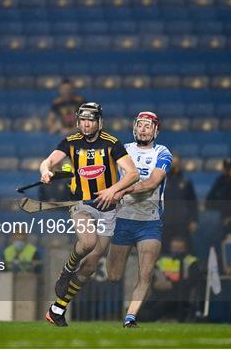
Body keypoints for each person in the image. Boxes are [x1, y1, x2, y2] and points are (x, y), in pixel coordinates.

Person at [40, 102, 139, 326]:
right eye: (83, 119)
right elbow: (48, 161)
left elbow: (132, 174)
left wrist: (113, 190)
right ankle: (66, 271)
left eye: (91, 120)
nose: (86, 124)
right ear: (78, 121)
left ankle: (57, 309)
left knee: (92, 264)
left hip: (108, 210)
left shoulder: (112, 143)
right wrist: (45, 170)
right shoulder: (70, 142)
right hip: (81, 203)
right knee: (87, 243)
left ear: (99, 122)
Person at [105, 111, 173, 328]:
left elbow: (152, 183)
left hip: (150, 222)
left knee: (145, 274)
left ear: (156, 130)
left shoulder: (163, 152)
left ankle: (130, 317)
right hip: (123, 220)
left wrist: (122, 191)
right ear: (135, 128)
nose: (143, 129)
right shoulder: (123, 150)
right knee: (114, 276)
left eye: (148, 126)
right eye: (140, 125)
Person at [139, 236, 201, 322]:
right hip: (159, 294)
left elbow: (191, 281)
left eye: (180, 249)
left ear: (185, 248)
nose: (177, 251)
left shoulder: (190, 261)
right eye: (175, 248)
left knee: (154, 311)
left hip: (178, 297)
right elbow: (154, 277)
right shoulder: (163, 260)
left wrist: (172, 285)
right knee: (141, 311)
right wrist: (156, 284)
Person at [161, 153, 198, 252]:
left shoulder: (186, 182)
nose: (174, 165)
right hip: (166, 221)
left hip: (182, 222)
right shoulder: (162, 181)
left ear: (180, 164)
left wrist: (193, 220)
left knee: (186, 248)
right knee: (165, 249)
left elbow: (193, 203)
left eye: (176, 163)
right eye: (172, 163)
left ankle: (186, 267)